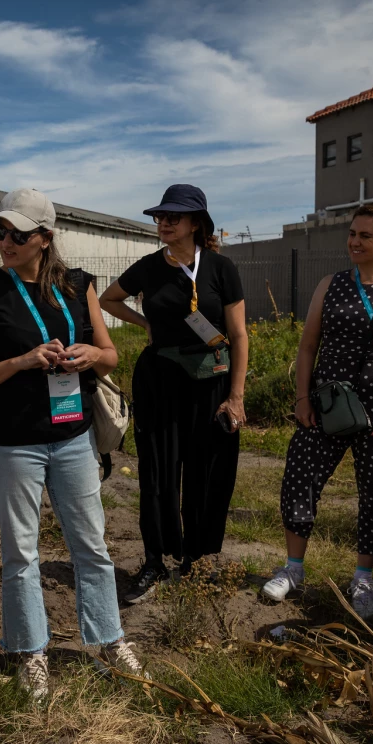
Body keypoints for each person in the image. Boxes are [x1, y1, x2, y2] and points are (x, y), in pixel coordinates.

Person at [0, 188, 143, 700]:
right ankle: (30, 653)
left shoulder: (77, 286)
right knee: (21, 552)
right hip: (10, 442)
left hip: (73, 436)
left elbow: (111, 356)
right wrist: (19, 361)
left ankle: (109, 639)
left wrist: (88, 355)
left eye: (17, 234)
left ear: (45, 238)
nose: (5, 242)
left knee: (92, 546)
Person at [261, 203, 373, 619]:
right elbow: (307, 347)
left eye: (365, 235)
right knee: (299, 477)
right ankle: (294, 568)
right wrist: (302, 399)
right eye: (352, 233)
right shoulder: (331, 284)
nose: (354, 241)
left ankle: (363, 577)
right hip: (327, 406)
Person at [100, 184, 249, 604]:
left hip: (211, 379)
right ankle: (154, 561)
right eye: (160, 217)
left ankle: (198, 560)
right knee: (158, 471)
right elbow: (109, 299)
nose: (163, 223)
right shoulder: (148, 267)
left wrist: (236, 395)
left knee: (208, 468)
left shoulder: (222, 268)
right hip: (160, 379)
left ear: (196, 223)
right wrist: (145, 325)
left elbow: (238, 334)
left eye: (174, 217)